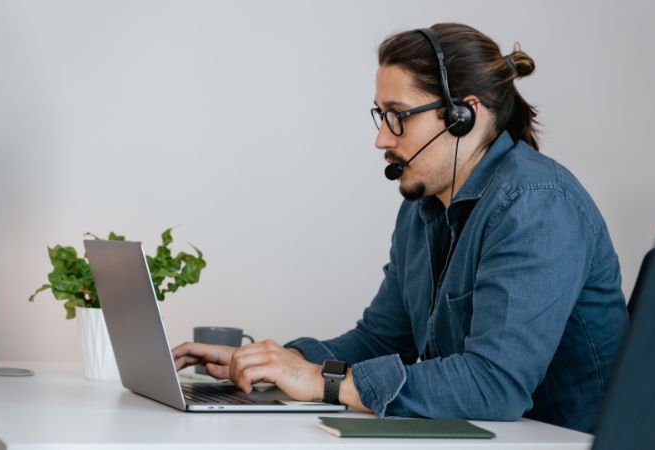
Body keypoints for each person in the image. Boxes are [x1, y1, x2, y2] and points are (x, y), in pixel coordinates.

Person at [172, 23, 628, 433]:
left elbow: (495, 384)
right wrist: (277, 362)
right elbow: (382, 339)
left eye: (398, 115)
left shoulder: (536, 205)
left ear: (463, 116)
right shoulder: (424, 204)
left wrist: (323, 383)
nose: (381, 138)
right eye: (380, 115)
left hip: (565, 441)